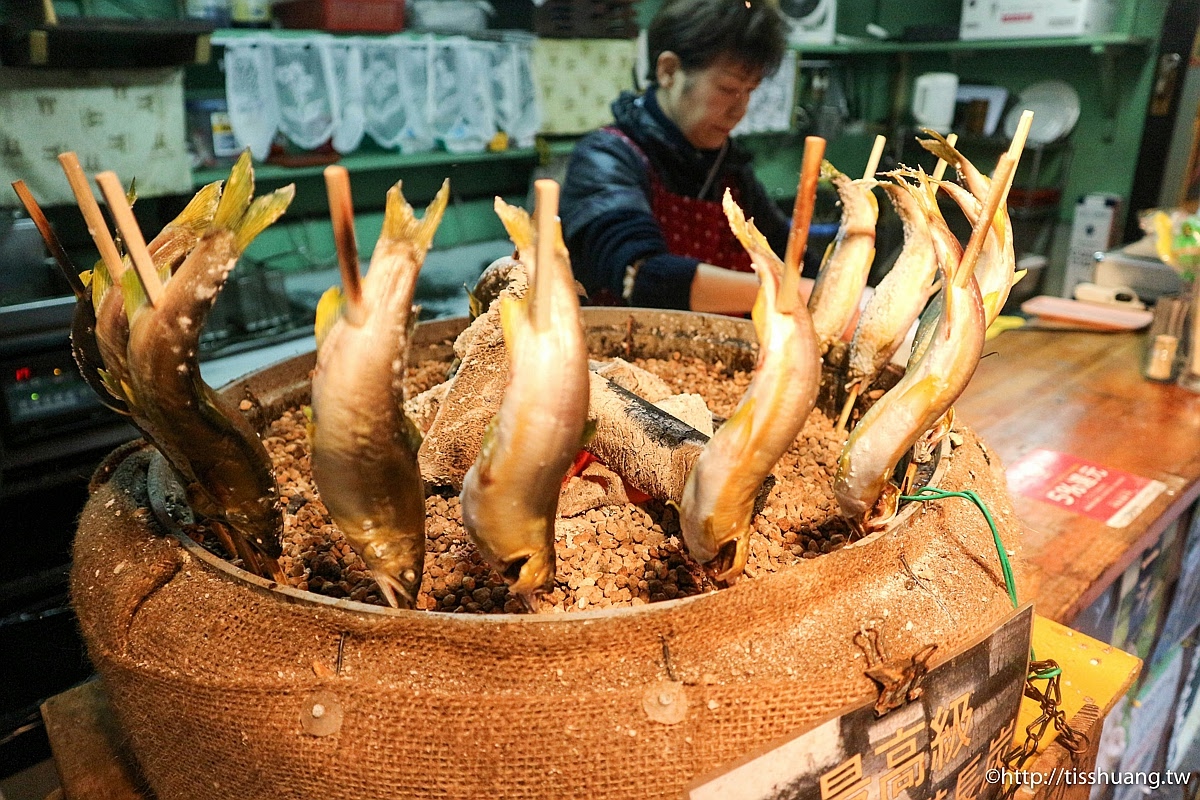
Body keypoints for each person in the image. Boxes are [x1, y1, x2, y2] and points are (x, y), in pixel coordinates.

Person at [560, 0, 813, 314]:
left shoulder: (730, 172)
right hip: (617, 344)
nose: (739, 110)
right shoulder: (606, 157)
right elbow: (642, 277)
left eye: (750, 91)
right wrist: (796, 293)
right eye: (728, 88)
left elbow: (794, 259)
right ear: (668, 71)